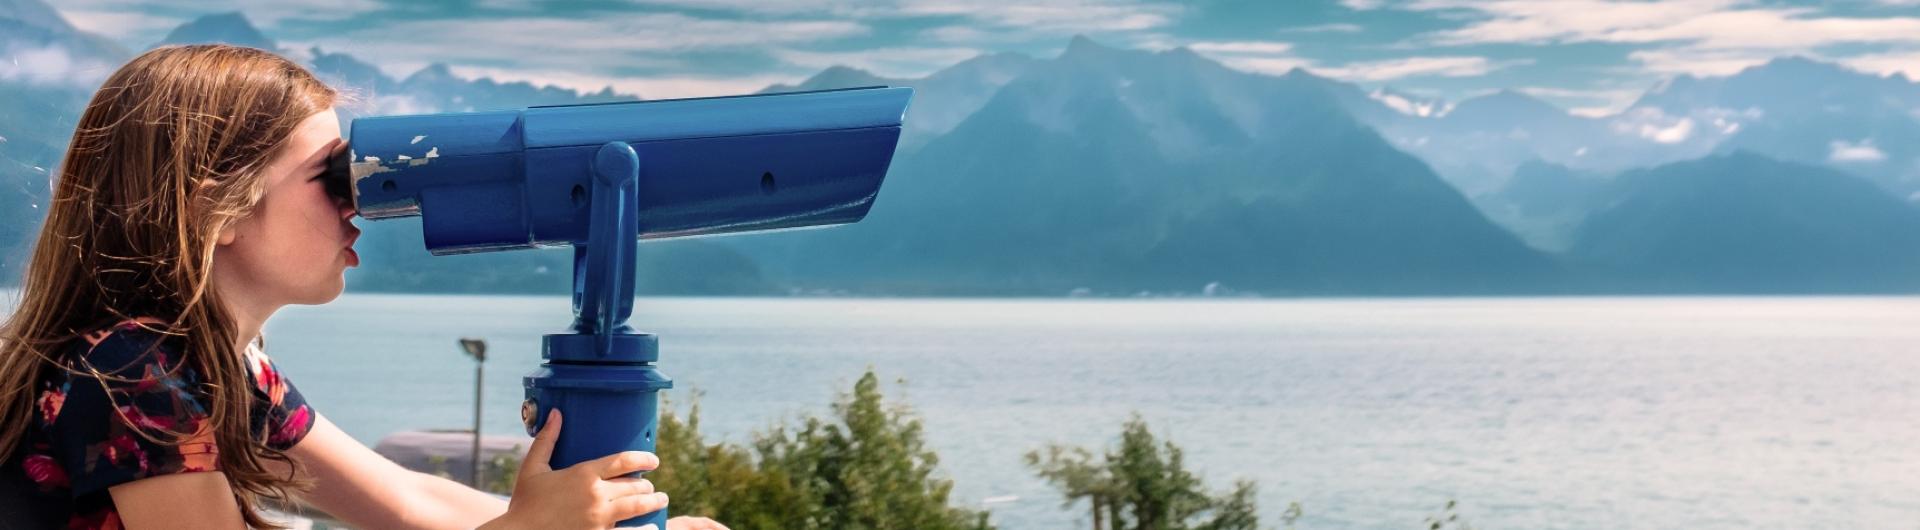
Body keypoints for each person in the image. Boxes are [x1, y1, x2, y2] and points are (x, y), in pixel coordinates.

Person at [0, 44, 726, 530]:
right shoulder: (132, 370)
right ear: (212, 208)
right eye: (331, 178)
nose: (361, 203)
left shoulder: (219, 371)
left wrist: (590, 517)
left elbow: (410, 500)